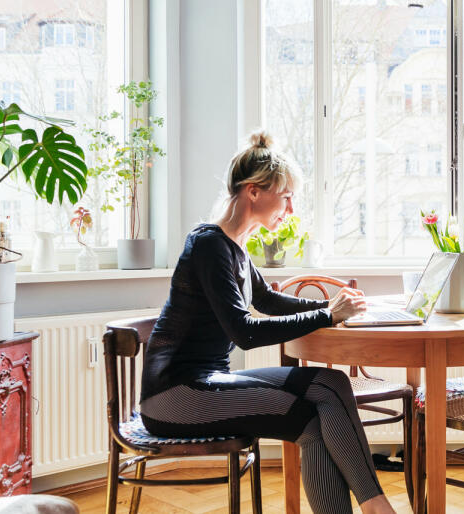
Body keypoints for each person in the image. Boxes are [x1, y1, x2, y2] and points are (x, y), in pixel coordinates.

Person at [139, 131, 395, 514]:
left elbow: (269, 300)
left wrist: (334, 307)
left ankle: (375, 505)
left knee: (331, 383)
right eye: (286, 196)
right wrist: (327, 314)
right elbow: (244, 331)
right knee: (310, 416)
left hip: (207, 382)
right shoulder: (208, 244)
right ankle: (377, 507)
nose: (290, 209)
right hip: (175, 397)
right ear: (254, 191)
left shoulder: (235, 248)